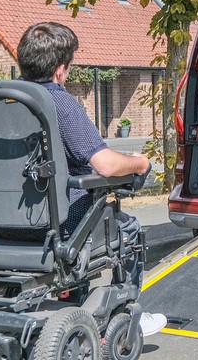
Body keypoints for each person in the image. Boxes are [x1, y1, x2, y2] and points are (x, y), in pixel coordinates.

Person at [17, 21, 167, 337]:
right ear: (60, 70)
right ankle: (129, 316)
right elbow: (107, 165)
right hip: (57, 225)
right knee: (126, 229)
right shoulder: (58, 102)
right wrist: (140, 163)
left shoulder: (2, 101)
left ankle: (72, 299)